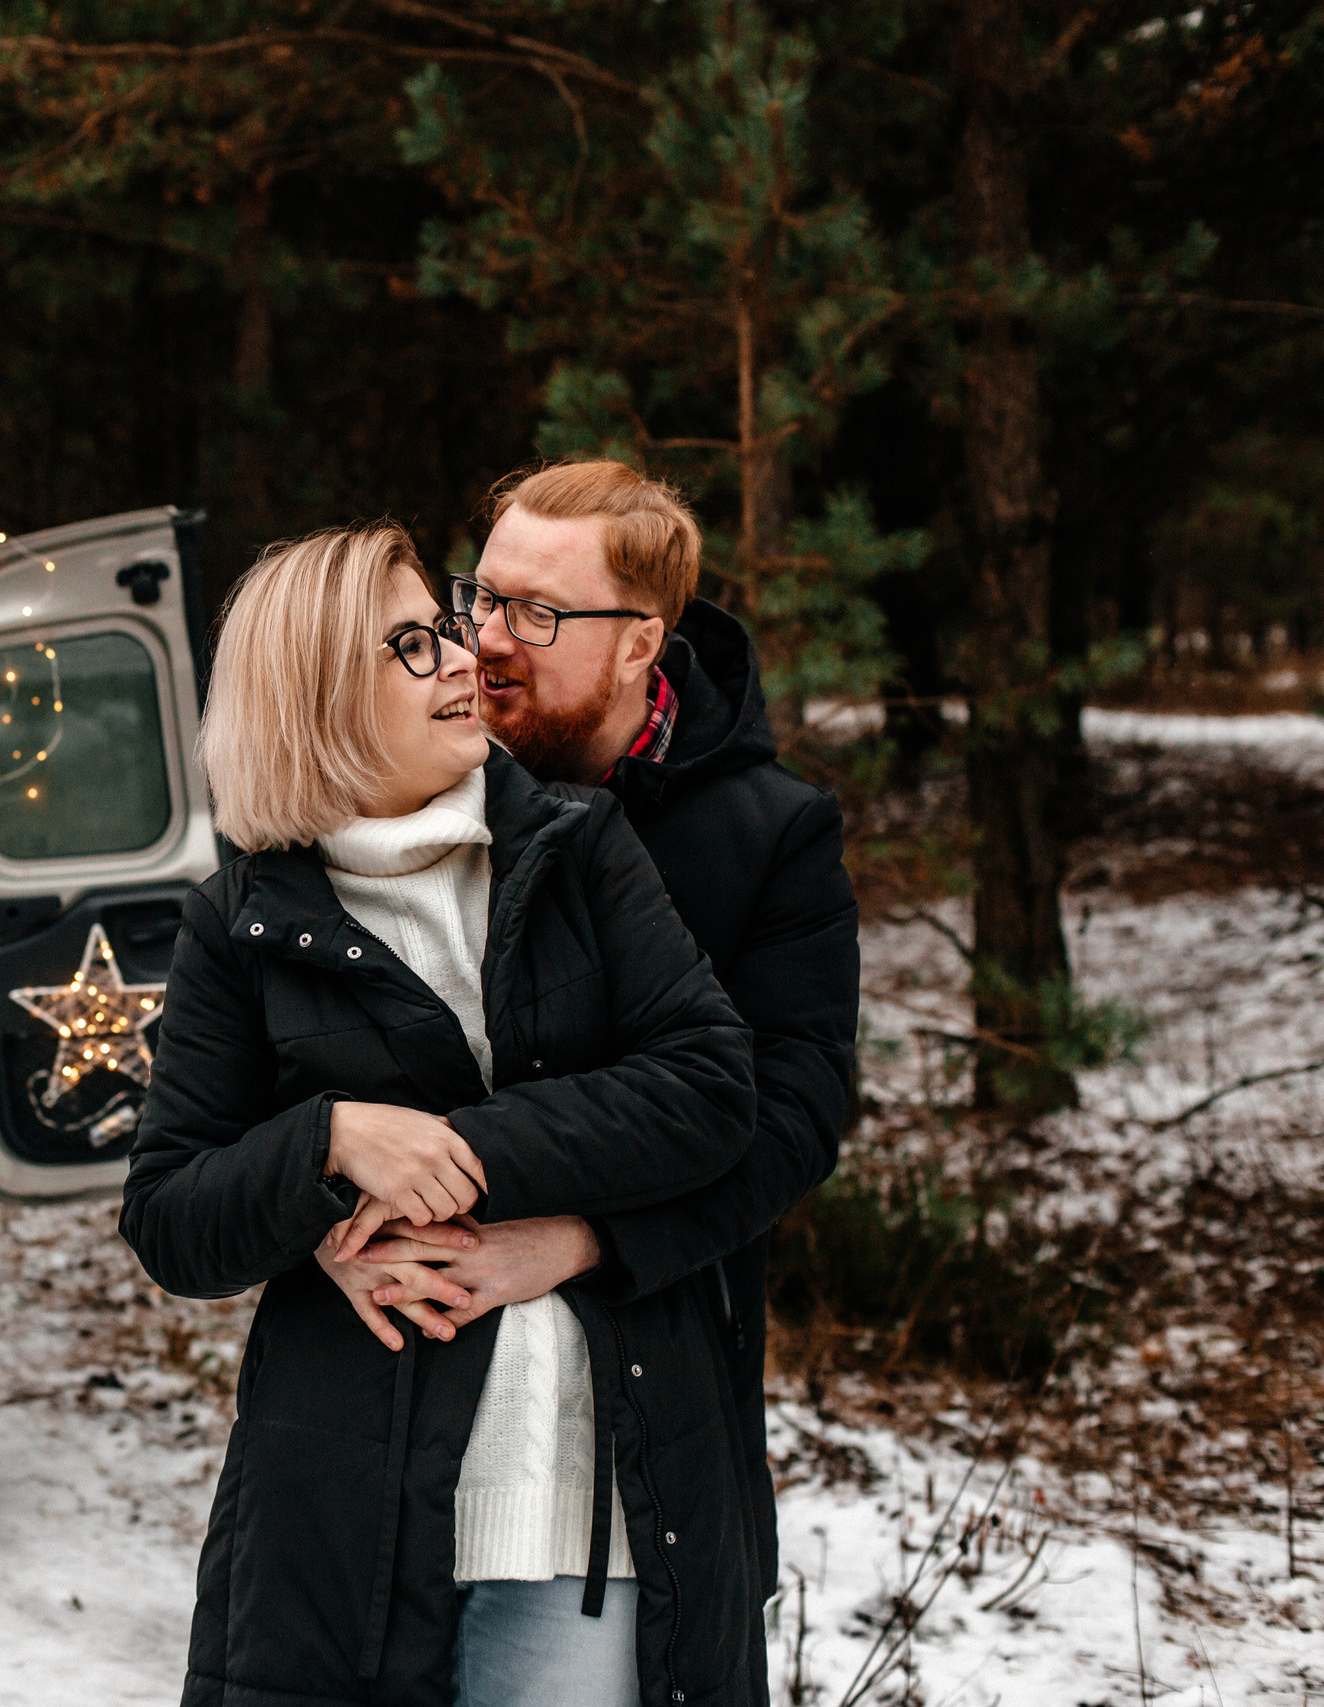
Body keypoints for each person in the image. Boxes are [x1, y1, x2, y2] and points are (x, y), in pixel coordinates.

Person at [120, 522, 762, 1707]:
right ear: (316, 691)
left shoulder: (578, 850)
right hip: (343, 1519)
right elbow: (170, 1215)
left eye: (446, 626)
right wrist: (328, 1148)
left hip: (584, 1502)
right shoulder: (240, 923)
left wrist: (451, 1155)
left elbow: (710, 1089)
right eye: (412, 645)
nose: (466, 659)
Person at [327, 461, 862, 1703]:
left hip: (636, 1399)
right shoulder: (412, 782)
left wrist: (580, 1240)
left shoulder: (767, 837)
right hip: (389, 1393)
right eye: (484, 598)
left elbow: (787, 1123)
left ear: (643, 646)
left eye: (541, 615)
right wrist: (324, 1186)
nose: (488, 641)